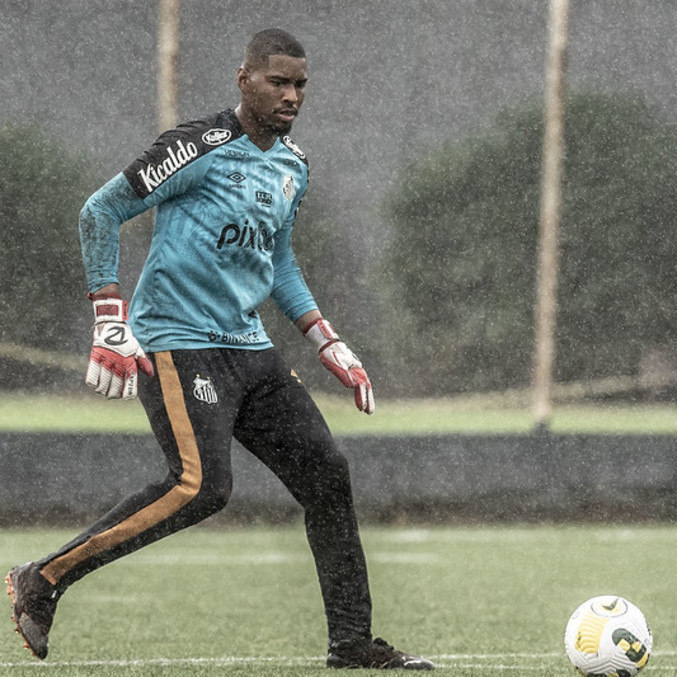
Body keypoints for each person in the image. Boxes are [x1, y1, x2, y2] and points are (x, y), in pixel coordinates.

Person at [5, 29, 434, 670]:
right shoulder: (196, 148)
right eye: (278, 82)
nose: (291, 96)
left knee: (327, 473)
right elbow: (100, 211)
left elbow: (278, 260)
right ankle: (42, 579)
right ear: (244, 80)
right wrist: (108, 317)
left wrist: (326, 339)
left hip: (251, 349)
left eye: (300, 86)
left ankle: (351, 644)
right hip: (180, 343)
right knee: (201, 486)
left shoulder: (294, 165)